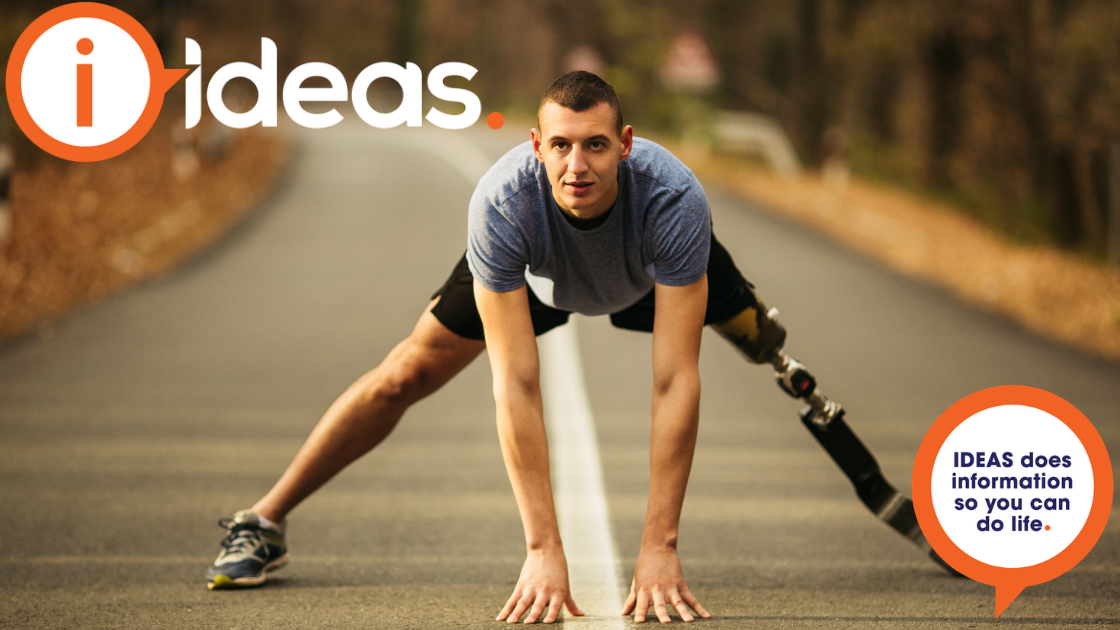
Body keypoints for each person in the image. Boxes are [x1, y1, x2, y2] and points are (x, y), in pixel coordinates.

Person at [206, 70, 787, 624]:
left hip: (650, 272)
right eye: (560, 146)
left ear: (626, 144)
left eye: (595, 146)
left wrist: (660, 545)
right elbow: (517, 381)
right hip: (538, 279)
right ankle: (264, 520)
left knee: (759, 338)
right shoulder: (503, 202)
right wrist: (542, 547)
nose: (577, 166)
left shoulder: (674, 197)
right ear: (536, 145)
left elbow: (674, 379)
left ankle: (761, 335)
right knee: (403, 374)